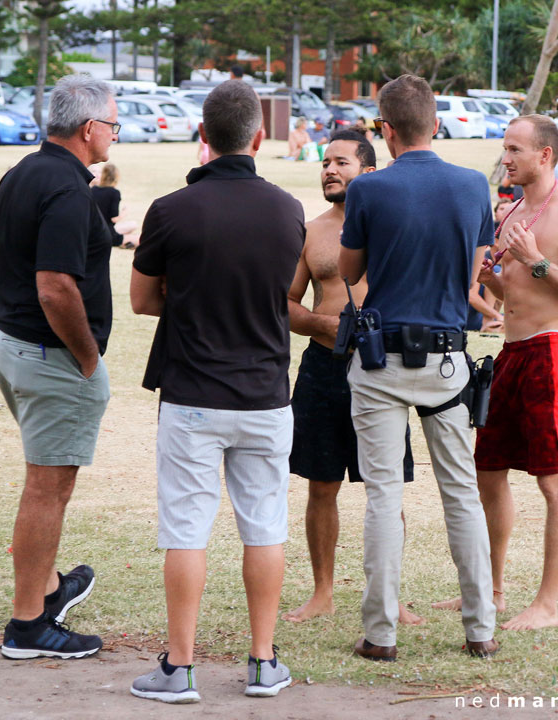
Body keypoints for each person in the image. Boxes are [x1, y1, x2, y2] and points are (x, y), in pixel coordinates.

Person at [129, 80, 305, 703]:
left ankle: (179, 669)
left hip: (193, 394)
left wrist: (191, 293)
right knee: (264, 527)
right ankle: (262, 662)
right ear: (259, 137)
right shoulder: (289, 210)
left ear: (202, 137)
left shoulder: (171, 209)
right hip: (265, 395)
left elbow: (143, 299)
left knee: (186, 529)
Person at [338, 74, 498, 661]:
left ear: (386, 130)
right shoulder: (471, 185)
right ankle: (480, 628)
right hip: (448, 358)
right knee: (460, 493)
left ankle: (380, 634)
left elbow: (350, 271)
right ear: (435, 123)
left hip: (381, 359)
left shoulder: (369, 189)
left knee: (382, 494)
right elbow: (472, 273)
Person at [436, 115, 558, 631]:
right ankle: (494, 588)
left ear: (544, 155)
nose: (505, 158)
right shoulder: (509, 211)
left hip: (552, 355)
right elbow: (516, 295)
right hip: (509, 353)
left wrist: (536, 264)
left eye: (514, 149)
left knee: (554, 482)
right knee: (488, 472)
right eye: (505, 148)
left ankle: (547, 605)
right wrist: (495, 280)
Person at [0, 74, 117, 659]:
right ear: (89, 129)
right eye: (113, 124)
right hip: (48, 355)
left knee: (47, 483)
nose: (116, 133)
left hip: (7, 341)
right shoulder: (66, 189)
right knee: (47, 489)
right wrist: (87, 356)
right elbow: (55, 287)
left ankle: (47, 587)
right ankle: (29, 626)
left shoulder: (24, 171)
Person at [282, 130, 421, 626]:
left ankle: (389, 594)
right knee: (321, 484)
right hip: (322, 368)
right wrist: (323, 325)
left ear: (368, 169)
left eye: (340, 161)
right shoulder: (311, 230)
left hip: (380, 368)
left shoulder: (391, 224)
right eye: (324, 162)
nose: (329, 170)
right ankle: (322, 591)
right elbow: (287, 305)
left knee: (384, 487)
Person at [91, 162, 138, 248]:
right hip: (107, 233)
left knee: (132, 226)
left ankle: (124, 243)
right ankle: (124, 243)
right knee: (140, 239)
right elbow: (113, 219)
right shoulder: (114, 193)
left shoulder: (93, 190)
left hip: (93, 231)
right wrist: (124, 213)